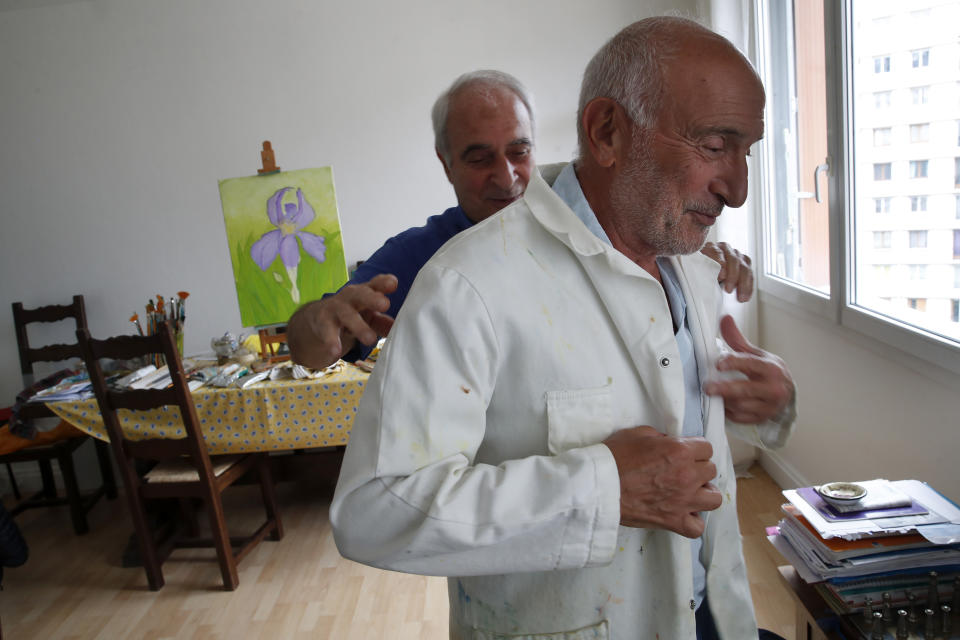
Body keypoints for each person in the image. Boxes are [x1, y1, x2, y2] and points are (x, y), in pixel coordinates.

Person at [330, 17, 796, 640]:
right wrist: (603, 491)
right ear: (607, 132)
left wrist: (770, 403)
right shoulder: (467, 284)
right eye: (715, 146)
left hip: (711, 613)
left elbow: (677, 404)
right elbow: (373, 510)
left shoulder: (689, 260)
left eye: (746, 152)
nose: (737, 190)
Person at [287, 70, 755, 370]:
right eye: (478, 158)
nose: (506, 176)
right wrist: (318, 324)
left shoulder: (597, 223)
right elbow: (313, 343)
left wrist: (697, 261)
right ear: (446, 163)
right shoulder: (420, 255)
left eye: (519, 151)